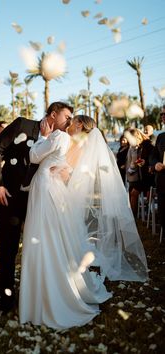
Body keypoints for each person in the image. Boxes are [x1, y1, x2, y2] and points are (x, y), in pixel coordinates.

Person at [19, 115, 147, 329]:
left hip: (52, 192)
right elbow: (70, 170)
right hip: (58, 193)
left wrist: (47, 143)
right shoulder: (81, 144)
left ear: (79, 125)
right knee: (59, 240)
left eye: (73, 120)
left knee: (52, 240)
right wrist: (62, 170)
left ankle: (55, 287)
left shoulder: (69, 140)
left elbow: (63, 167)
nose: (69, 122)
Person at [0, 102, 73, 313]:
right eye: (67, 115)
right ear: (53, 114)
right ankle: (6, 298)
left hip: (41, 199)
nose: (70, 120)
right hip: (11, 198)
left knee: (40, 248)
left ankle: (36, 296)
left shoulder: (61, 138)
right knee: (9, 249)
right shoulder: (22, 125)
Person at [125, 128, 154, 217]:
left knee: (134, 193)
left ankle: (133, 216)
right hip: (142, 176)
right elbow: (139, 161)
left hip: (149, 178)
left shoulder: (148, 145)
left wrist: (145, 163)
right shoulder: (139, 146)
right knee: (132, 192)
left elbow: (152, 160)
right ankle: (132, 214)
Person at [149, 105, 165, 239]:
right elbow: (152, 156)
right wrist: (155, 164)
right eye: (161, 114)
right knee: (163, 214)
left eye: (164, 114)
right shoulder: (160, 137)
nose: (162, 116)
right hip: (162, 183)